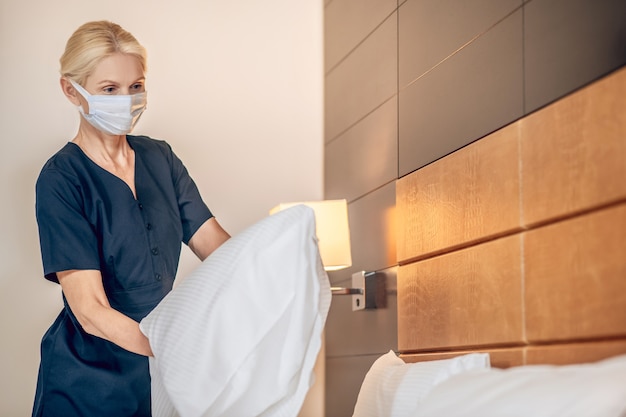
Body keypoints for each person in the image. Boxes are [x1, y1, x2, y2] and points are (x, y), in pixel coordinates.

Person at [32, 21, 230, 417]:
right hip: (84, 383)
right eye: (109, 89)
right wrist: (179, 350)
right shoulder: (61, 179)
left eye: (136, 86)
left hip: (154, 377)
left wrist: (279, 264)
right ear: (71, 90)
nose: (126, 99)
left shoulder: (161, 159)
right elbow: (91, 313)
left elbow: (223, 254)